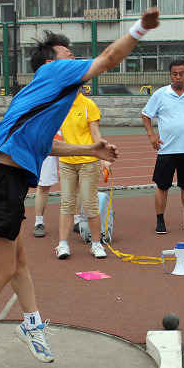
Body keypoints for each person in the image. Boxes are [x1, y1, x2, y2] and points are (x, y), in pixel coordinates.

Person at [0, 7, 161, 368]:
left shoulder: (47, 96)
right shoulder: (53, 71)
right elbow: (109, 57)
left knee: (19, 261)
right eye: (69, 53)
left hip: (7, 181)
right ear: (51, 61)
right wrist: (140, 28)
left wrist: (90, 149)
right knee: (1, 271)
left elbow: (44, 146)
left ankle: (31, 325)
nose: (74, 57)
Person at [141, 59, 184, 234]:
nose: (178, 77)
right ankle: (160, 222)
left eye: (181, 73)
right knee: (162, 186)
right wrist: (151, 135)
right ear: (170, 74)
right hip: (167, 150)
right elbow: (145, 114)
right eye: (174, 74)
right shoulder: (160, 94)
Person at [55, 92, 111, 259]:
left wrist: (103, 159)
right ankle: (63, 244)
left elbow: (95, 134)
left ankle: (96, 244)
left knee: (90, 203)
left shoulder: (88, 105)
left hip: (88, 162)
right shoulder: (60, 104)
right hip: (66, 162)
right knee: (67, 204)